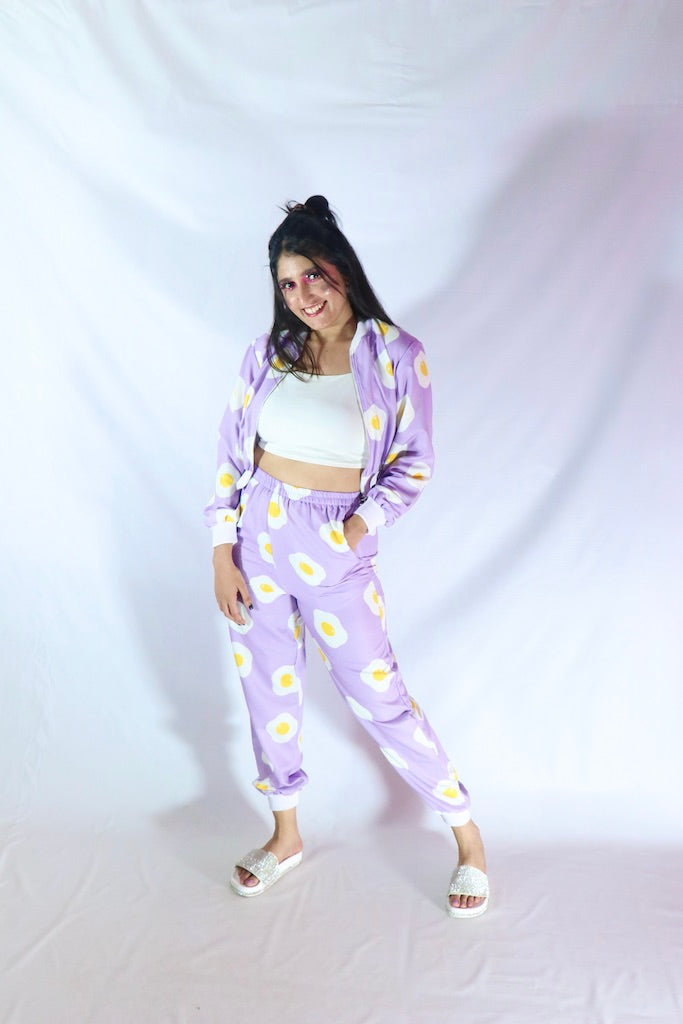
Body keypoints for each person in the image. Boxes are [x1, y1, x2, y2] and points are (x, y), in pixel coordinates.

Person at [204, 196, 489, 917]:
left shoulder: (395, 354)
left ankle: (467, 837)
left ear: (342, 268)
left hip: (333, 548)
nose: (303, 295)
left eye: (313, 275)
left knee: (380, 696)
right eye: (287, 284)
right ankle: (285, 834)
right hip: (257, 539)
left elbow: (414, 463)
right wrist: (222, 551)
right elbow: (232, 455)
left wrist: (355, 529)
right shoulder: (267, 354)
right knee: (268, 693)